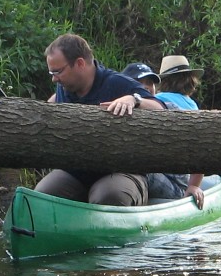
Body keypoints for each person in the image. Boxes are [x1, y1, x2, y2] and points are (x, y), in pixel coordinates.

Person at [34, 34, 165, 206]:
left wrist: (134, 100)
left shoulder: (117, 83)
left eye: (58, 72)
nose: (54, 78)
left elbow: (161, 109)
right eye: (51, 73)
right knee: (40, 197)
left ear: (80, 63)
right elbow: (49, 106)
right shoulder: (63, 88)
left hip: (120, 172)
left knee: (108, 197)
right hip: (76, 172)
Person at [146, 54, 208, 208]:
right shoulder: (193, 106)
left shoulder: (156, 100)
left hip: (163, 176)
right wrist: (194, 185)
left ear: (164, 81)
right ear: (190, 80)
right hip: (180, 179)